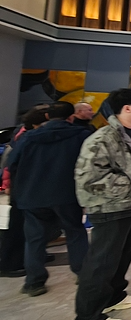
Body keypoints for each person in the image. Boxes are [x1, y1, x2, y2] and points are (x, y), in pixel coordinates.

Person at [74, 89, 131, 320]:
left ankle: (113, 297)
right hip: (111, 208)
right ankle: (88, 315)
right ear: (127, 108)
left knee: (121, 257)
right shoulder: (104, 138)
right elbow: (90, 178)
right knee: (101, 263)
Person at [6, 101, 91, 296]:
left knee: (34, 239)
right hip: (67, 194)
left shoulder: (27, 138)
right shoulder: (80, 136)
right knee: (75, 233)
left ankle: (34, 281)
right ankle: (82, 272)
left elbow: (12, 164)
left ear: (47, 116)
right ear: (72, 116)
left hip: (32, 195)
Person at [0, 106, 49, 278]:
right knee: (17, 227)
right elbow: (9, 164)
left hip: (28, 187)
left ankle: (31, 256)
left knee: (31, 227)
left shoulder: (26, 136)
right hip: (22, 188)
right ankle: (8, 264)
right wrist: (8, 184)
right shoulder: (24, 138)